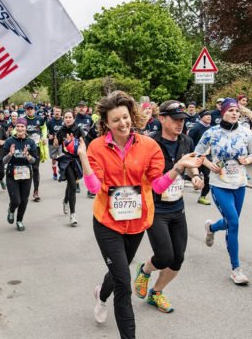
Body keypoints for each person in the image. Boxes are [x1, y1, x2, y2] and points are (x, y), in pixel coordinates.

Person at [77, 91, 201, 338]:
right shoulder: (97, 147)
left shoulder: (148, 146)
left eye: (125, 117)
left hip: (136, 222)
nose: (122, 124)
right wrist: (83, 157)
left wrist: (177, 168)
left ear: (131, 116)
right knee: (124, 283)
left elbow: (156, 187)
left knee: (118, 273)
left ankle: (101, 294)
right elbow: (93, 188)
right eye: (115, 120)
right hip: (107, 223)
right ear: (106, 124)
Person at [133, 101, 204, 313]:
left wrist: (197, 176)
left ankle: (156, 292)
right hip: (155, 208)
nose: (180, 123)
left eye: (182, 119)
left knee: (178, 259)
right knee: (164, 256)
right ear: (162, 119)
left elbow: (191, 166)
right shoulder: (149, 143)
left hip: (177, 207)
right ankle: (145, 270)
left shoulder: (186, 141)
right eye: (175, 119)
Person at [195, 98, 252, 285]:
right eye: (230, 110)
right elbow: (198, 153)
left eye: (237, 111)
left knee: (232, 221)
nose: (234, 113)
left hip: (239, 184)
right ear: (223, 112)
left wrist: (249, 160)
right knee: (233, 223)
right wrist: (208, 163)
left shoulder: (245, 132)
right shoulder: (212, 133)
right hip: (219, 184)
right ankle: (236, 269)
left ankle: (212, 227)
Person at [3, 118, 37, 232]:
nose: (20, 128)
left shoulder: (31, 142)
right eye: (18, 126)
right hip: (12, 174)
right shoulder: (9, 141)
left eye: (22, 126)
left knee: (24, 200)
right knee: (16, 201)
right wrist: (10, 154)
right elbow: (4, 161)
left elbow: (34, 161)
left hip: (26, 175)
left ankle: (19, 220)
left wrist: (28, 156)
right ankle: (11, 210)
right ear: (15, 128)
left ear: (26, 128)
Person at [56, 110, 85, 226]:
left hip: (77, 160)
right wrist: (53, 140)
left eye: (70, 117)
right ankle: (73, 214)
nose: (68, 119)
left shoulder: (78, 130)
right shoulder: (61, 131)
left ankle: (66, 200)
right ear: (64, 119)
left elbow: (84, 143)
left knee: (70, 183)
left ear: (73, 118)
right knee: (73, 185)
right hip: (66, 160)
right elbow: (56, 144)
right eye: (66, 117)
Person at [24, 102, 47, 202]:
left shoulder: (39, 119)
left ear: (34, 109)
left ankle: (36, 191)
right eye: (28, 109)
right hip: (25, 148)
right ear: (25, 110)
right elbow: (16, 131)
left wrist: (44, 137)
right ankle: (24, 191)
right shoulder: (23, 120)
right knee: (26, 169)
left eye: (31, 108)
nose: (29, 110)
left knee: (35, 169)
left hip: (36, 148)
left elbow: (44, 129)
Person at [188, 109, 213, 205]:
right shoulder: (195, 128)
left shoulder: (212, 129)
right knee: (194, 174)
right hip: (196, 157)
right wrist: (191, 155)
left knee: (208, 177)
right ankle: (194, 181)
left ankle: (202, 196)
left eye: (210, 116)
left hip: (207, 157)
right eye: (206, 115)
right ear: (201, 117)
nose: (209, 117)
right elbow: (189, 142)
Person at [46, 106, 63, 180]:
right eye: (56, 111)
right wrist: (48, 136)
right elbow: (45, 133)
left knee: (62, 158)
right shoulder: (49, 122)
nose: (57, 113)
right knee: (54, 159)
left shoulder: (63, 121)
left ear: (60, 112)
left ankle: (62, 173)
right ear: (53, 112)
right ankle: (55, 173)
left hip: (61, 143)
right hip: (52, 143)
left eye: (58, 111)